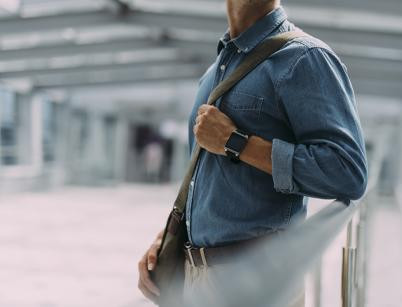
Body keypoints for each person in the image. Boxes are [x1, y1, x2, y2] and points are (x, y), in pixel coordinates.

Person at [138, 0, 368, 305]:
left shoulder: (305, 58)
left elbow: (347, 172)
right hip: (195, 277)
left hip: (257, 280)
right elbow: (211, 182)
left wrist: (236, 142)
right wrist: (173, 237)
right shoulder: (214, 72)